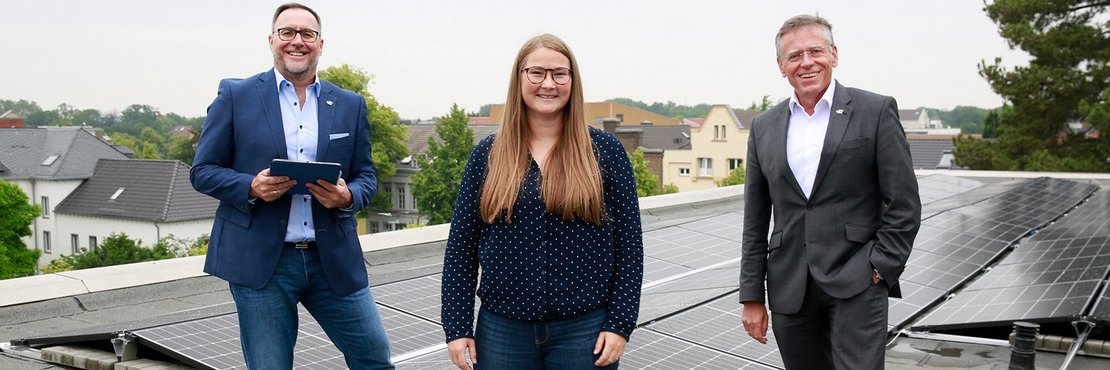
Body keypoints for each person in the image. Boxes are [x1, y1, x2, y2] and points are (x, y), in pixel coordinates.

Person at [190, 3, 392, 369]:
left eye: (307, 34)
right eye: (287, 32)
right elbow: (202, 170)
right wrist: (250, 186)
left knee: (374, 356)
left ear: (320, 43)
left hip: (332, 258)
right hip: (263, 264)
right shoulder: (236, 96)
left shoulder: (349, 105)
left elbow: (368, 177)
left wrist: (347, 196)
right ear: (271, 40)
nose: (296, 41)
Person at [440, 34, 644, 370]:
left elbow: (630, 248)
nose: (548, 84)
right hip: (502, 331)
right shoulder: (487, 155)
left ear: (572, 81)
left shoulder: (605, 152)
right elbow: (461, 249)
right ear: (519, 78)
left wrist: (620, 323)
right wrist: (457, 327)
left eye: (559, 74)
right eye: (537, 73)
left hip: (585, 330)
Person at [738, 14, 921, 370]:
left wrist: (880, 268)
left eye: (815, 51)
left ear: (834, 55)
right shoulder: (763, 127)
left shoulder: (875, 111)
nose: (806, 62)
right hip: (789, 287)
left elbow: (904, 203)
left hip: (857, 280)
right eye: (794, 56)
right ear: (781, 66)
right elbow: (755, 220)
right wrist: (751, 296)